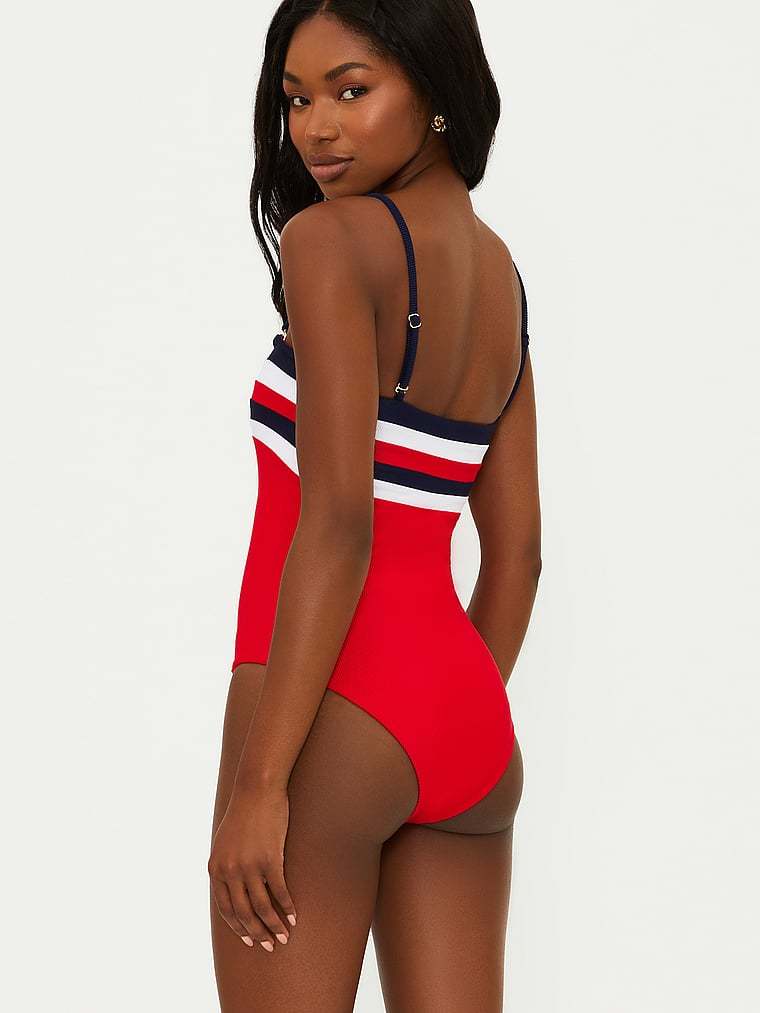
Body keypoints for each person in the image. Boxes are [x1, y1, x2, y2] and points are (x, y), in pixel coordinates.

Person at [208, 2, 541, 1009]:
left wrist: (261, 783)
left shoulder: (329, 241)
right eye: (296, 100)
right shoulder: (501, 273)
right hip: (465, 719)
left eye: (351, 91)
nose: (316, 129)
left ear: (435, 89)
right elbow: (518, 553)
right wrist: (444, 711)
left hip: (330, 713)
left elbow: (339, 523)